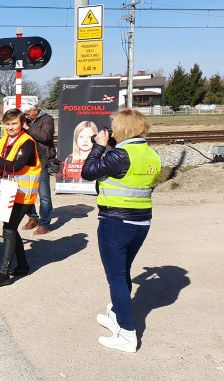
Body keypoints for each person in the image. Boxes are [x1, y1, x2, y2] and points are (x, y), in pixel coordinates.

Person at [81, 109, 161, 353]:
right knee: (123, 271)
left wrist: (99, 147)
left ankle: (127, 334)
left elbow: (87, 172)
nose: (111, 129)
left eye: (114, 125)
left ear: (123, 129)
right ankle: (117, 313)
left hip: (116, 222)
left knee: (116, 277)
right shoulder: (151, 154)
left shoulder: (121, 155)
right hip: (141, 222)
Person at [0, 108, 41, 288]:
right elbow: (2, 165)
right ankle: (22, 266)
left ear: (22, 123)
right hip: (9, 191)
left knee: (8, 230)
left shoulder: (27, 142)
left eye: (14, 123)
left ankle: (3, 274)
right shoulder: (4, 140)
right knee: (10, 229)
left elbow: (15, 166)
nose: (10, 127)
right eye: (7, 124)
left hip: (23, 194)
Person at [20, 104, 55, 235]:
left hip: (41, 161)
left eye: (28, 114)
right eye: (25, 115)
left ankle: (45, 223)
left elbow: (45, 137)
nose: (27, 116)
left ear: (36, 110)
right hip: (27, 160)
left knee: (44, 195)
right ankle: (33, 218)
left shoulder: (48, 119)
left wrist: (27, 128)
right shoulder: (25, 120)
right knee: (27, 192)